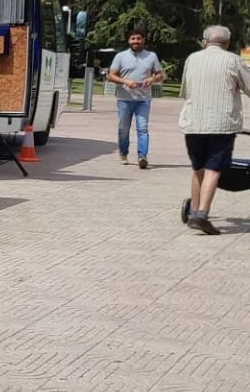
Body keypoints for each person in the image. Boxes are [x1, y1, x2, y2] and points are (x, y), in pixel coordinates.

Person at [178, 24, 250, 234]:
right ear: (227, 44)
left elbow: (185, 90)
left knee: (198, 168)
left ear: (204, 42)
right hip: (221, 124)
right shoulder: (233, 60)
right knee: (213, 169)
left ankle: (193, 212)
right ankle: (202, 215)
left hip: (193, 123)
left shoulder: (192, 59)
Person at [107, 28, 165, 167]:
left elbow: (160, 74)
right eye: (133, 39)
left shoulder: (151, 56)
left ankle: (142, 156)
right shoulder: (121, 56)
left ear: (143, 40)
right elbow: (111, 75)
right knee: (123, 129)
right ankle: (123, 152)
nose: (136, 41)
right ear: (129, 40)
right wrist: (125, 81)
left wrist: (152, 79)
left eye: (138, 38)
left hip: (143, 99)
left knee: (142, 128)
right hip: (124, 99)